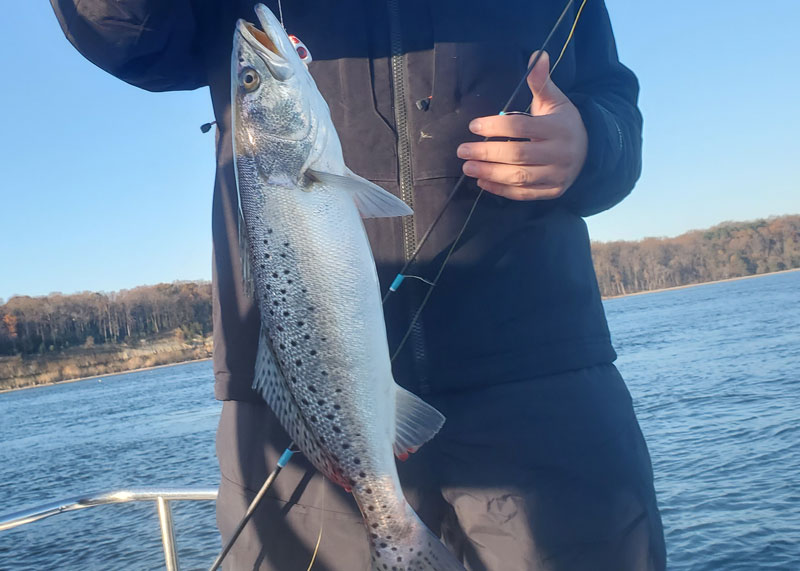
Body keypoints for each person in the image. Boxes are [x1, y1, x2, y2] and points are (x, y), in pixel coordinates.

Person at [51, 0, 666, 569]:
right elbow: (122, 31)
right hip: (296, 418)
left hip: (544, 388)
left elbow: (612, 98)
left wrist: (592, 144)